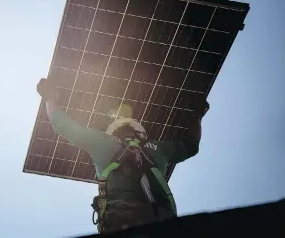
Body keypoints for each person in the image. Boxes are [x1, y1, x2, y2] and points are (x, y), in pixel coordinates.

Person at [36, 78, 209, 234]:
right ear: (141, 133)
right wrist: (197, 114)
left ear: (113, 131)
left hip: (118, 220)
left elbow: (62, 125)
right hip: (161, 220)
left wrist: (50, 97)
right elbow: (190, 146)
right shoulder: (157, 149)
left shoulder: (103, 143)